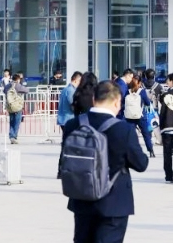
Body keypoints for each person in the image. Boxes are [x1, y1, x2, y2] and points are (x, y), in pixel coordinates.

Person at [62, 81, 149, 242]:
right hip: (113, 201)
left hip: (81, 198)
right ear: (117, 102)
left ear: (93, 99)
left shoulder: (73, 124)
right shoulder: (123, 129)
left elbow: (65, 159)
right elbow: (141, 164)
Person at [125, 76, 155, 158]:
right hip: (141, 116)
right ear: (139, 83)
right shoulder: (142, 91)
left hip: (129, 116)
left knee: (130, 134)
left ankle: (130, 151)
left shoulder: (128, 91)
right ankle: (151, 151)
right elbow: (147, 103)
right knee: (146, 134)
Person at [4, 73, 29, 144]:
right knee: (17, 122)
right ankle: (14, 136)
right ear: (18, 79)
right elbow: (26, 90)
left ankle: (11, 136)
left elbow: (4, 91)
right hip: (17, 106)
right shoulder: (17, 85)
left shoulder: (7, 85)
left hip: (10, 106)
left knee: (11, 122)